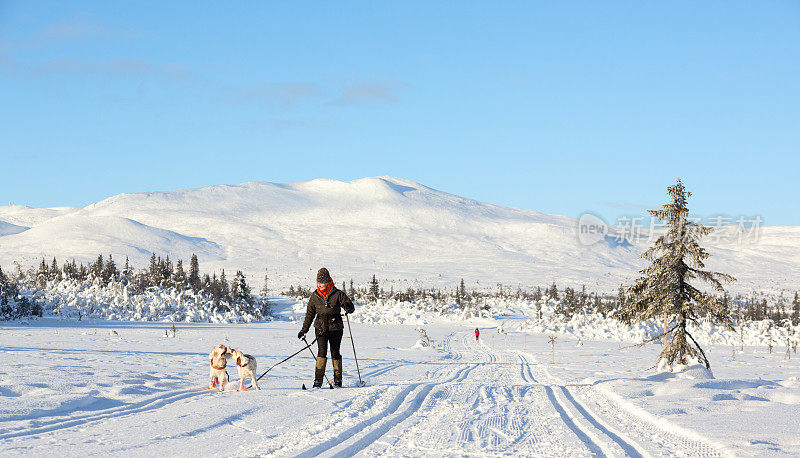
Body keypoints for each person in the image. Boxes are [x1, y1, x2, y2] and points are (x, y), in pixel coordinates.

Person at [297, 268, 355, 387]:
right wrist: (304, 330)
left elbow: (350, 307)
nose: (320, 285)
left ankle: (338, 379)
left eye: (322, 283)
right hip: (320, 328)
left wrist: (348, 307)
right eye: (318, 283)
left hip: (336, 327)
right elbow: (309, 315)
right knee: (321, 352)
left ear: (328, 282)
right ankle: (318, 381)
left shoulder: (338, 294)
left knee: (335, 352)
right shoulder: (314, 296)